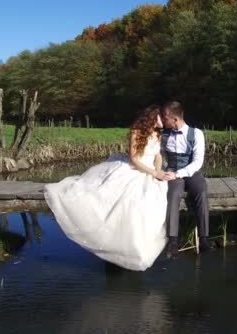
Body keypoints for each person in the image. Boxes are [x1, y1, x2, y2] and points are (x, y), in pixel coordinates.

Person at [43, 105, 169, 271]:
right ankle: (115, 244)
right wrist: (152, 172)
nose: (164, 121)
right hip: (135, 169)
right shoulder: (137, 132)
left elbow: (158, 155)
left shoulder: (158, 133)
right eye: (162, 117)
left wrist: (158, 172)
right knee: (125, 198)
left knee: (153, 200)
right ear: (153, 117)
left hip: (150, 171)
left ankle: (136, 246)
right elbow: (133, 160)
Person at [160, 101, 212, 258]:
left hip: (191, 171)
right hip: (172, 170)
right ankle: (173, 240)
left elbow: (197, 162)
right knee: (173, 193)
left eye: (165, 118)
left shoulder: (197, 134)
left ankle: (204, 237)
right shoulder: (164, 135)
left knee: (201, 190)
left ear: (174, 119)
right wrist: (163, 171)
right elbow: (160, 155)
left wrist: (179, 173)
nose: (163, 121)